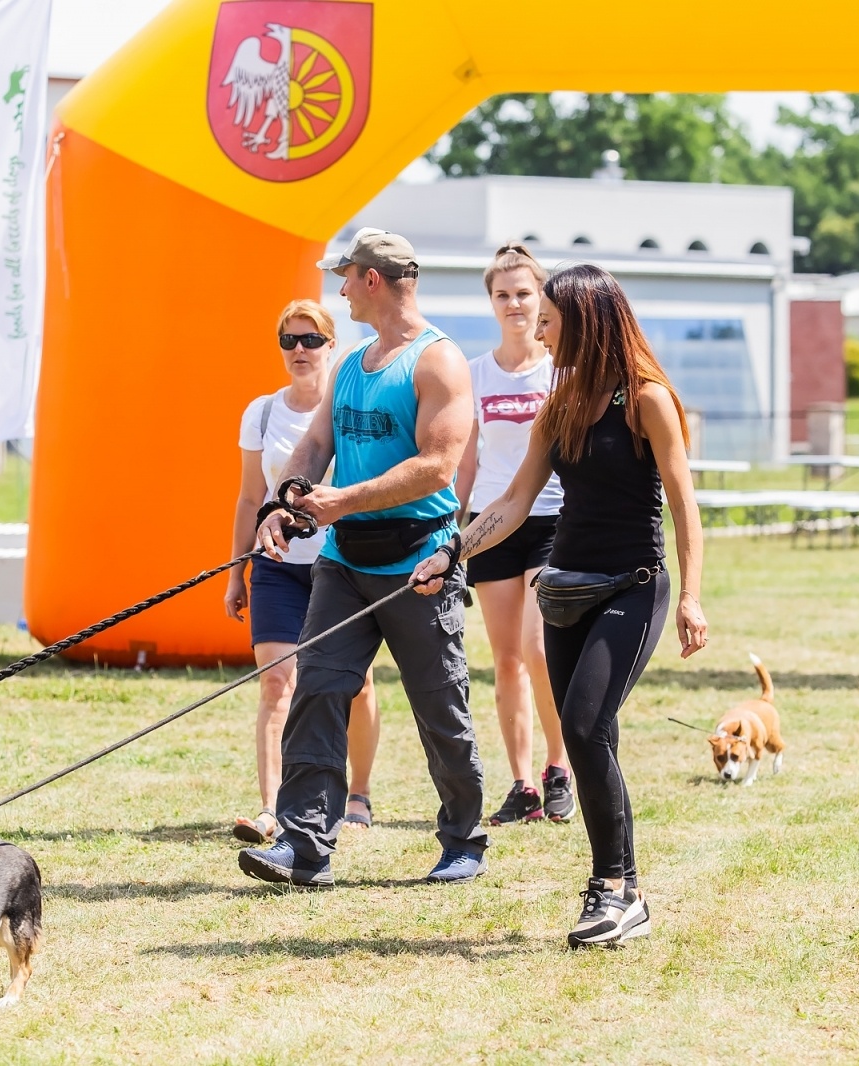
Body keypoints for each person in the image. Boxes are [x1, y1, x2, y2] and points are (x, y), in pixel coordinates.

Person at [413, 263, 709, 948]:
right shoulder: (562, 403)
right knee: (590, 735)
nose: (540, 329)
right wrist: (451, 553)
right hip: (566, 587)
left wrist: (692, 595)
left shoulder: (647, 400)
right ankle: (618, 887)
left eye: (549, 318)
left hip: (631, 584)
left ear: (584, 319)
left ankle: (617, 889)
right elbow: (514, 501)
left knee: (581, 725)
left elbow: (685, 502)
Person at [238, 228, 488, 888]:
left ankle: (463, 838)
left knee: (441, 709)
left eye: (345, 277)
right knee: (316, 694)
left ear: (371, 280)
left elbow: (438, 467)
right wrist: (287, 497)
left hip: (418, 566)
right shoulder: (350, 364)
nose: (340, 289)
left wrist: (341, 499)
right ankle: (304, 845)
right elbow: (315, 443)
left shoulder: (438, 362)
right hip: (343, 565)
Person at [224, 299, 381, 843]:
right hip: (274, 568)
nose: (299, 351)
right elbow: (250, 499)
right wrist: (234, 573)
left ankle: (357, 794)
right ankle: (271, 809)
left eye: (311, 340)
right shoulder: (262, 413)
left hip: (341, 568)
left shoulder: (349, 411)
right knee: (276, 684)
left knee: (354, 684)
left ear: (332, 345)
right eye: (289, 340)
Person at [454, 243, 573, 826]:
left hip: (552, 518)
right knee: (504, 659)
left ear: (541, 297)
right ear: (491, 302)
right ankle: (522, 783)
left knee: (537, 647)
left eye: (524, 293)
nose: (514, 304)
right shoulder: (473, 374)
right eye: (503, 295)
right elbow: (467, 462)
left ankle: (560, 767)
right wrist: (454, 530)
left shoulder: (561, 371)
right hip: (490, 522)